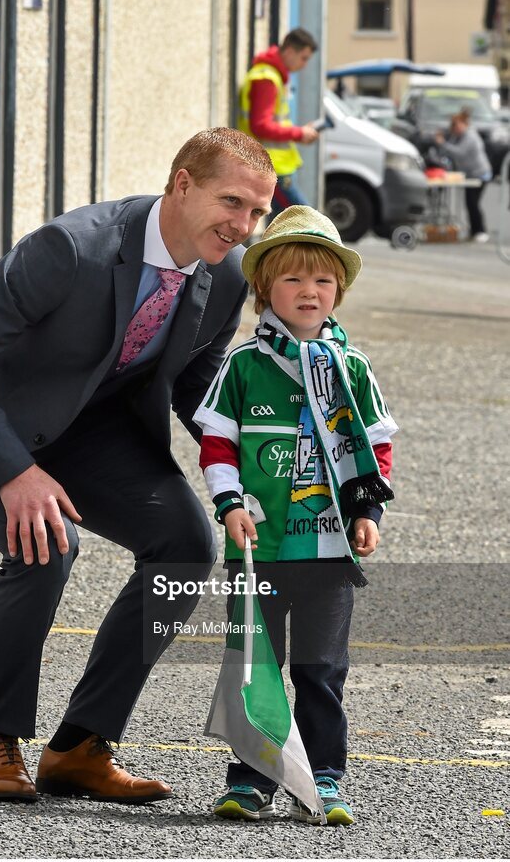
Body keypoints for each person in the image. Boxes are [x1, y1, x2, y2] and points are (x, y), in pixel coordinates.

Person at [0, 128, 277, 803]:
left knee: (185, 544)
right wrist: (13, 472)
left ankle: (82, 745)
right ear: (182, 184)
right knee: (46, 539)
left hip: (83, 424)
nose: (243, 225)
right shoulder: (74, 248)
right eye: (231, 201)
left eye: (257, 211)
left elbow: (197, 388)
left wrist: (251, 473)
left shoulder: (230, 273)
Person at [193, 205, 397, 824]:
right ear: (265, 289)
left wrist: (369, 512)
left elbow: (376, 444)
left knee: (321, 669)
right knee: (255, 667)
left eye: (323, 281)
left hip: (328, 552)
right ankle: (251, 778)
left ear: (338, 290)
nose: (310, 291)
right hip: (259, 548)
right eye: (293, 280)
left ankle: (326, 777)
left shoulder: (352, 368)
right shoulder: (244, 366)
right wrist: (229, 504)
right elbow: (217, 445)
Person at [238, 27, 320, 215]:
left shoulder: (271, 76)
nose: (304, 65)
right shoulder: (266, 79)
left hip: (270, 167)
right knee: (307, 220)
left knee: (281, 227)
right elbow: (260, 126)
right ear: (290, 51)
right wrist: (299, 133)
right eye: (304, 58)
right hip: (271, 168)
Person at [435, 109, 492, 242]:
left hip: (480, 174)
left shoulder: (471, 136)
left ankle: (480, 231)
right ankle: (474, 230)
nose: (455, 128)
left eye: (457, 125)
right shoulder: (457, 136)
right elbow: (447, 151)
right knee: (469, 203)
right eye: (453, 126)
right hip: (469, 174)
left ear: (464, 124)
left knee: (473, 203)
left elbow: (460, 152)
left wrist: (443, 142)